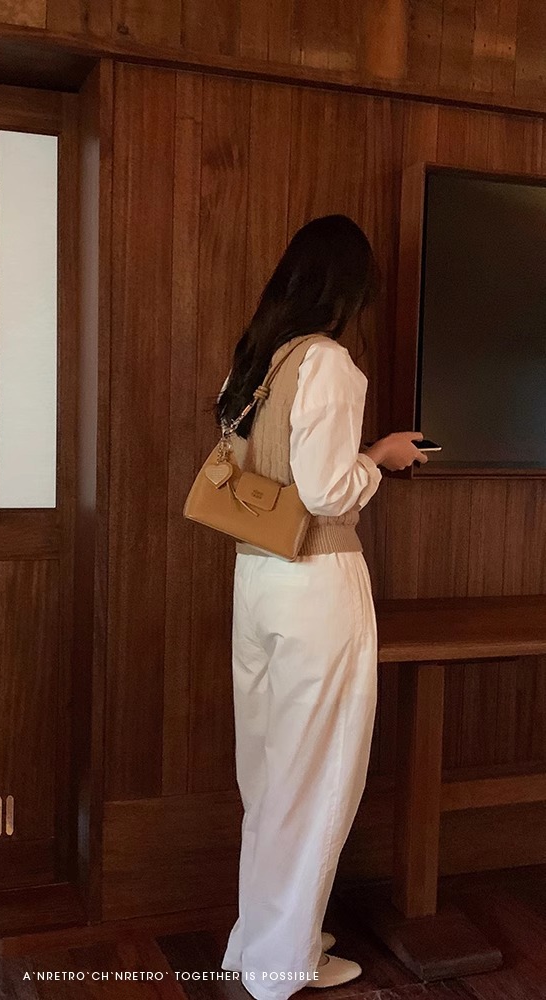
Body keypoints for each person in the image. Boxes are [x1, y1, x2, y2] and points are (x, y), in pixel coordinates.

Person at [214, 214, 427, 999]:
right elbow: (329, 491)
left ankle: (262, 941)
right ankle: (283, 962)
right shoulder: (328, 362)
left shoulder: (256, 358)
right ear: (349, 289)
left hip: (256, 578)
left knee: (271, 771)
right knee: (320, 775)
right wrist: (381, 457)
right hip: (317, 582)